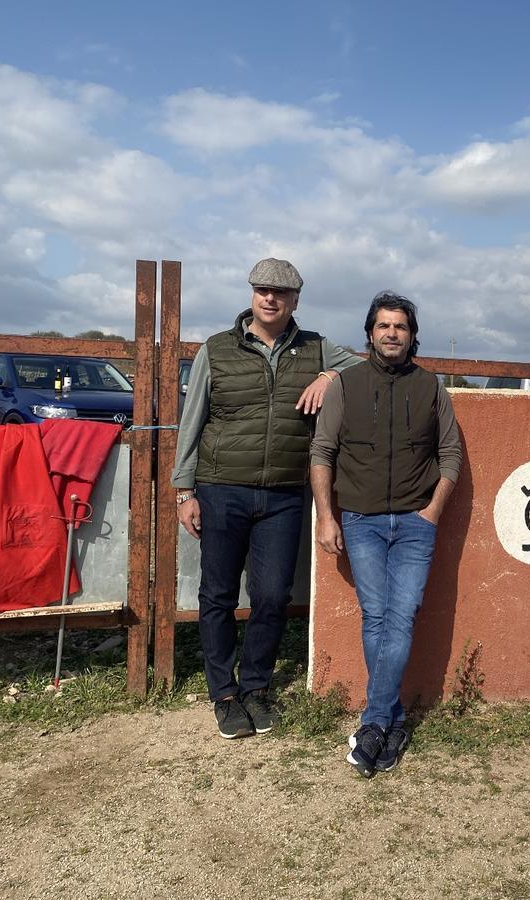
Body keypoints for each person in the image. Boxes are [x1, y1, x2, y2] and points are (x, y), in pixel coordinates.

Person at [173, 258, 362, 740]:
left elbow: (367, 370)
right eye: (262, 289)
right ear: (252, 294)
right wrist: (183, 489)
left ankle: (255, 685)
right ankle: (225, 693)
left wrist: (331, 377)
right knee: (216, 593)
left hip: (282, 494)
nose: (270, 298)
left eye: (280, 292)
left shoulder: (316, 349)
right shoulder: (217, 349)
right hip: (221, 488)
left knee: (273, 596)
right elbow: (192, 420)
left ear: (295, 299)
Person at [310, 291, 462, 777]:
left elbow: (450, 454)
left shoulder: (430, 386)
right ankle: (390, 720)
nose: (392, 333)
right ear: (370, 333)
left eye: (401, 326)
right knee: (377, 615)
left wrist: (432, 512)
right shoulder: (347, 385)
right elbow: (322, 453)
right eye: (383, 326)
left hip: (416, 521)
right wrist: (326, 517)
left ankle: (374, 721)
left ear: (412, 336)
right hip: (361, 519)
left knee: (403, 614)